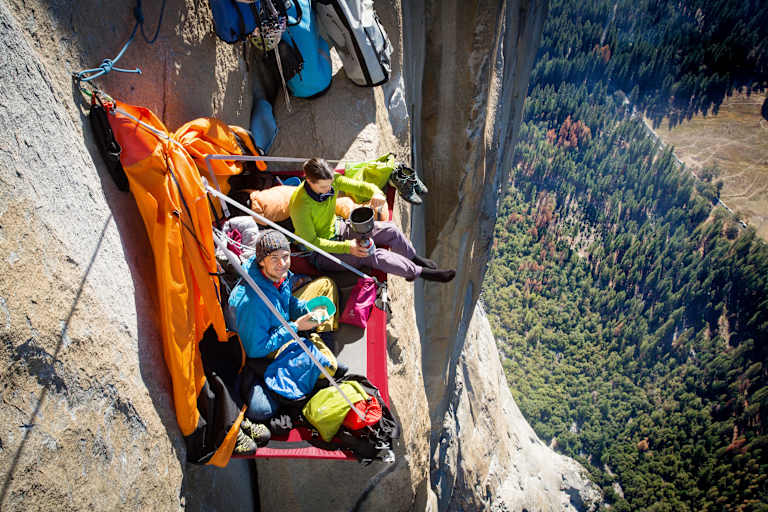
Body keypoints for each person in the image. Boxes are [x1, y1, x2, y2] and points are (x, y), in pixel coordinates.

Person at [227, 229, 340, 436]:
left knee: (326, 286)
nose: (282, 264)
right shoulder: (253, 302)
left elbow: (287, 302)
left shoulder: (280, 276)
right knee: (262, 410)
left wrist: (305, 311)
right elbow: (256, 350)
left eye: (285, 257)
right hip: (264, 349)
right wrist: (296, 327)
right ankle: (313, 347)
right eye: (274, 259)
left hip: (283, 325)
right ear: (261, 261)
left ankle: (316, 343)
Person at [289, 158, 456, 282]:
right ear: (309, 181)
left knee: (390, 229)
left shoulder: (333, 182)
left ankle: (413, 257)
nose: (330, 189)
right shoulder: (300, 205)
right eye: (324, 187)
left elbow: (361, 187)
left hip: (339, 228)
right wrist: (348, 247)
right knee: (371, 253)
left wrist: (376, 193)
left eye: (331, 184)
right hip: (321, 253)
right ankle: (420, 273)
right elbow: (312, 242)